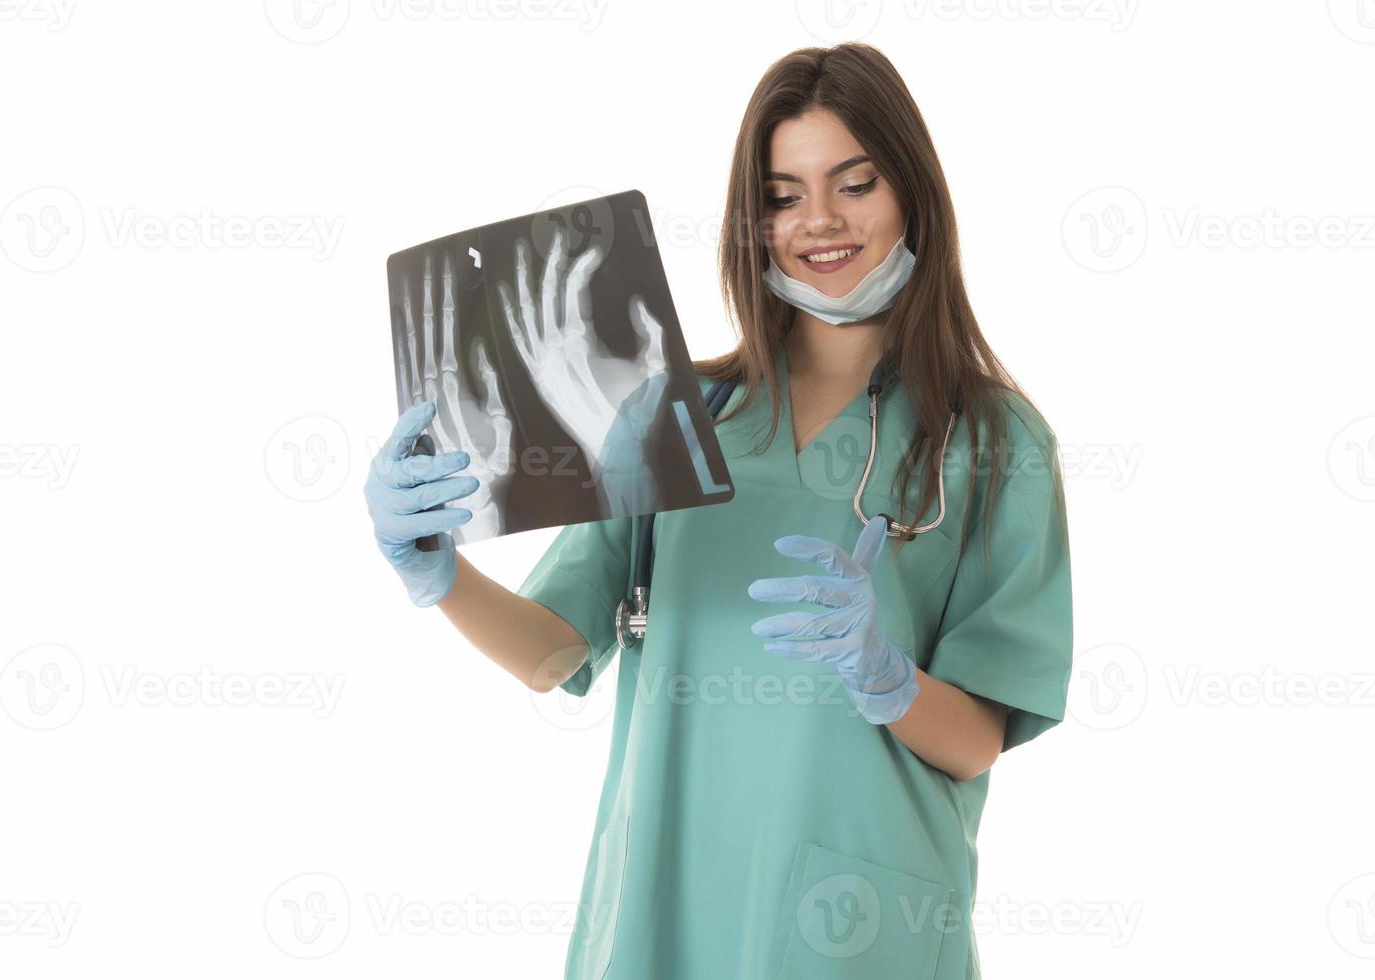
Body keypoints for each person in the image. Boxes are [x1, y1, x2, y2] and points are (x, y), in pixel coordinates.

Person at [364, 42, 1072, 980]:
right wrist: (436, 573)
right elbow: (556, 654)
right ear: (754, 221)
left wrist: (887, 678)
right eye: (782, 196)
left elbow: (982, 737)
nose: (819, 221)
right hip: (663, 904)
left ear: (913, 196)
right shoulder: (674, 412)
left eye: (854, 184)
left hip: (860, 921)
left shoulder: (995, 439)